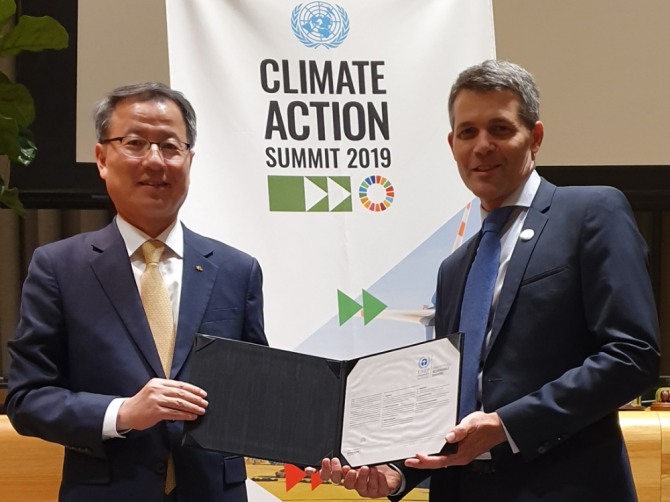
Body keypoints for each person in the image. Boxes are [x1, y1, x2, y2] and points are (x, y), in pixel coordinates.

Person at [315, 60, 660, 501]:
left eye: (499, 129)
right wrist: (398, 471)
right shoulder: (455, 268)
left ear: (535, 137)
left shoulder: (592, 213)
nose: (482, 146)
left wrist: (506, 426)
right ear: (452, 145)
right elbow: (448, 396)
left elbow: (632, 356)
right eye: (468, 132)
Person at [5, 82, 267, 501]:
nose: (155, 160)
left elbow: (256, 391)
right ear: (102, 158)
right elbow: (27, 398)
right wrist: (122, 413)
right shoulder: (59, 268)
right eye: (135, 143)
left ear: (189, 160)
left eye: (170, 146)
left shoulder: (237, 270)